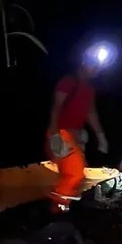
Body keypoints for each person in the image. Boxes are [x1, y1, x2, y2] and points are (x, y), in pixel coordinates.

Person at [47, 58, 108, 213]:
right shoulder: (68, 82)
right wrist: (54, 135)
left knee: (75, 174)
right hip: (61, 133)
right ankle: (57, 209)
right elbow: (56, 107)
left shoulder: (89, 89)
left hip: (75, 136)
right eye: (93, 66)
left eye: (98, 68)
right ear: (83, 65)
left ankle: (63, 206)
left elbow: (91, 113)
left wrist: (100, 136)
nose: (96, 70)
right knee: (75, 173)